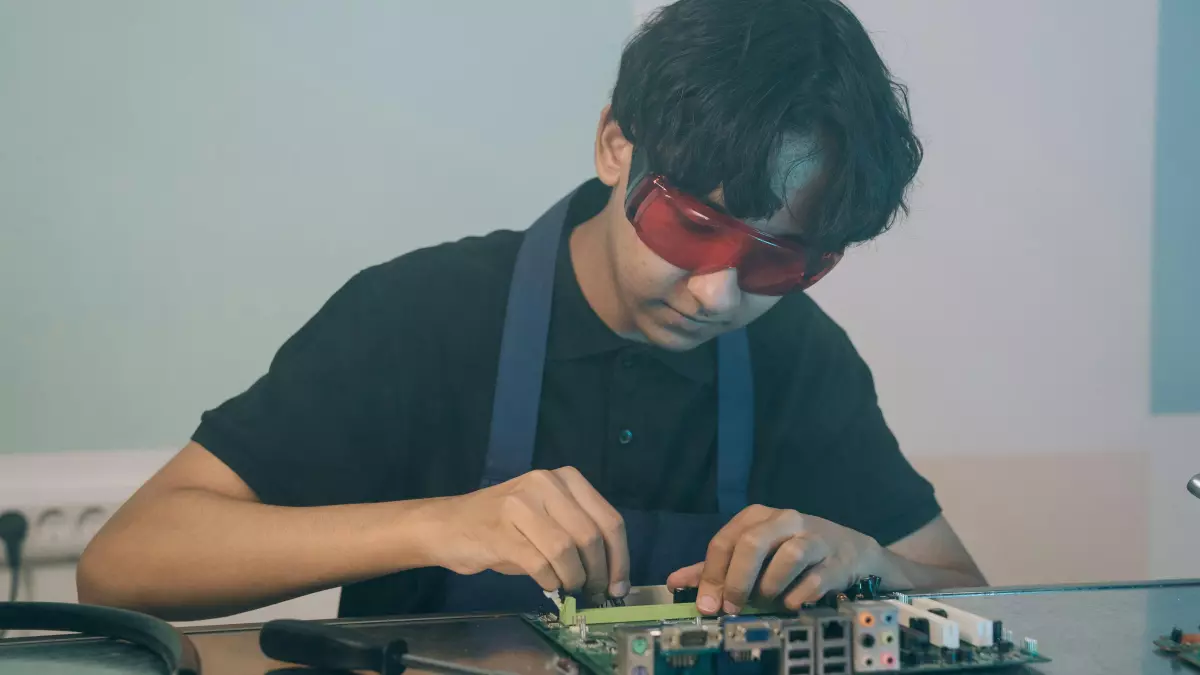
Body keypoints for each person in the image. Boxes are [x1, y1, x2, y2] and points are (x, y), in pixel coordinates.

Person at [77, 0, 986, 622]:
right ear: (613, 145)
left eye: (778, 260)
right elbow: (122, 565)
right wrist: (434, 523)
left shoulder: (799, 356)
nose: (718, 293)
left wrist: (872, 563)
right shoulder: (419, 315)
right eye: (692, 227)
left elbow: (970, 593)